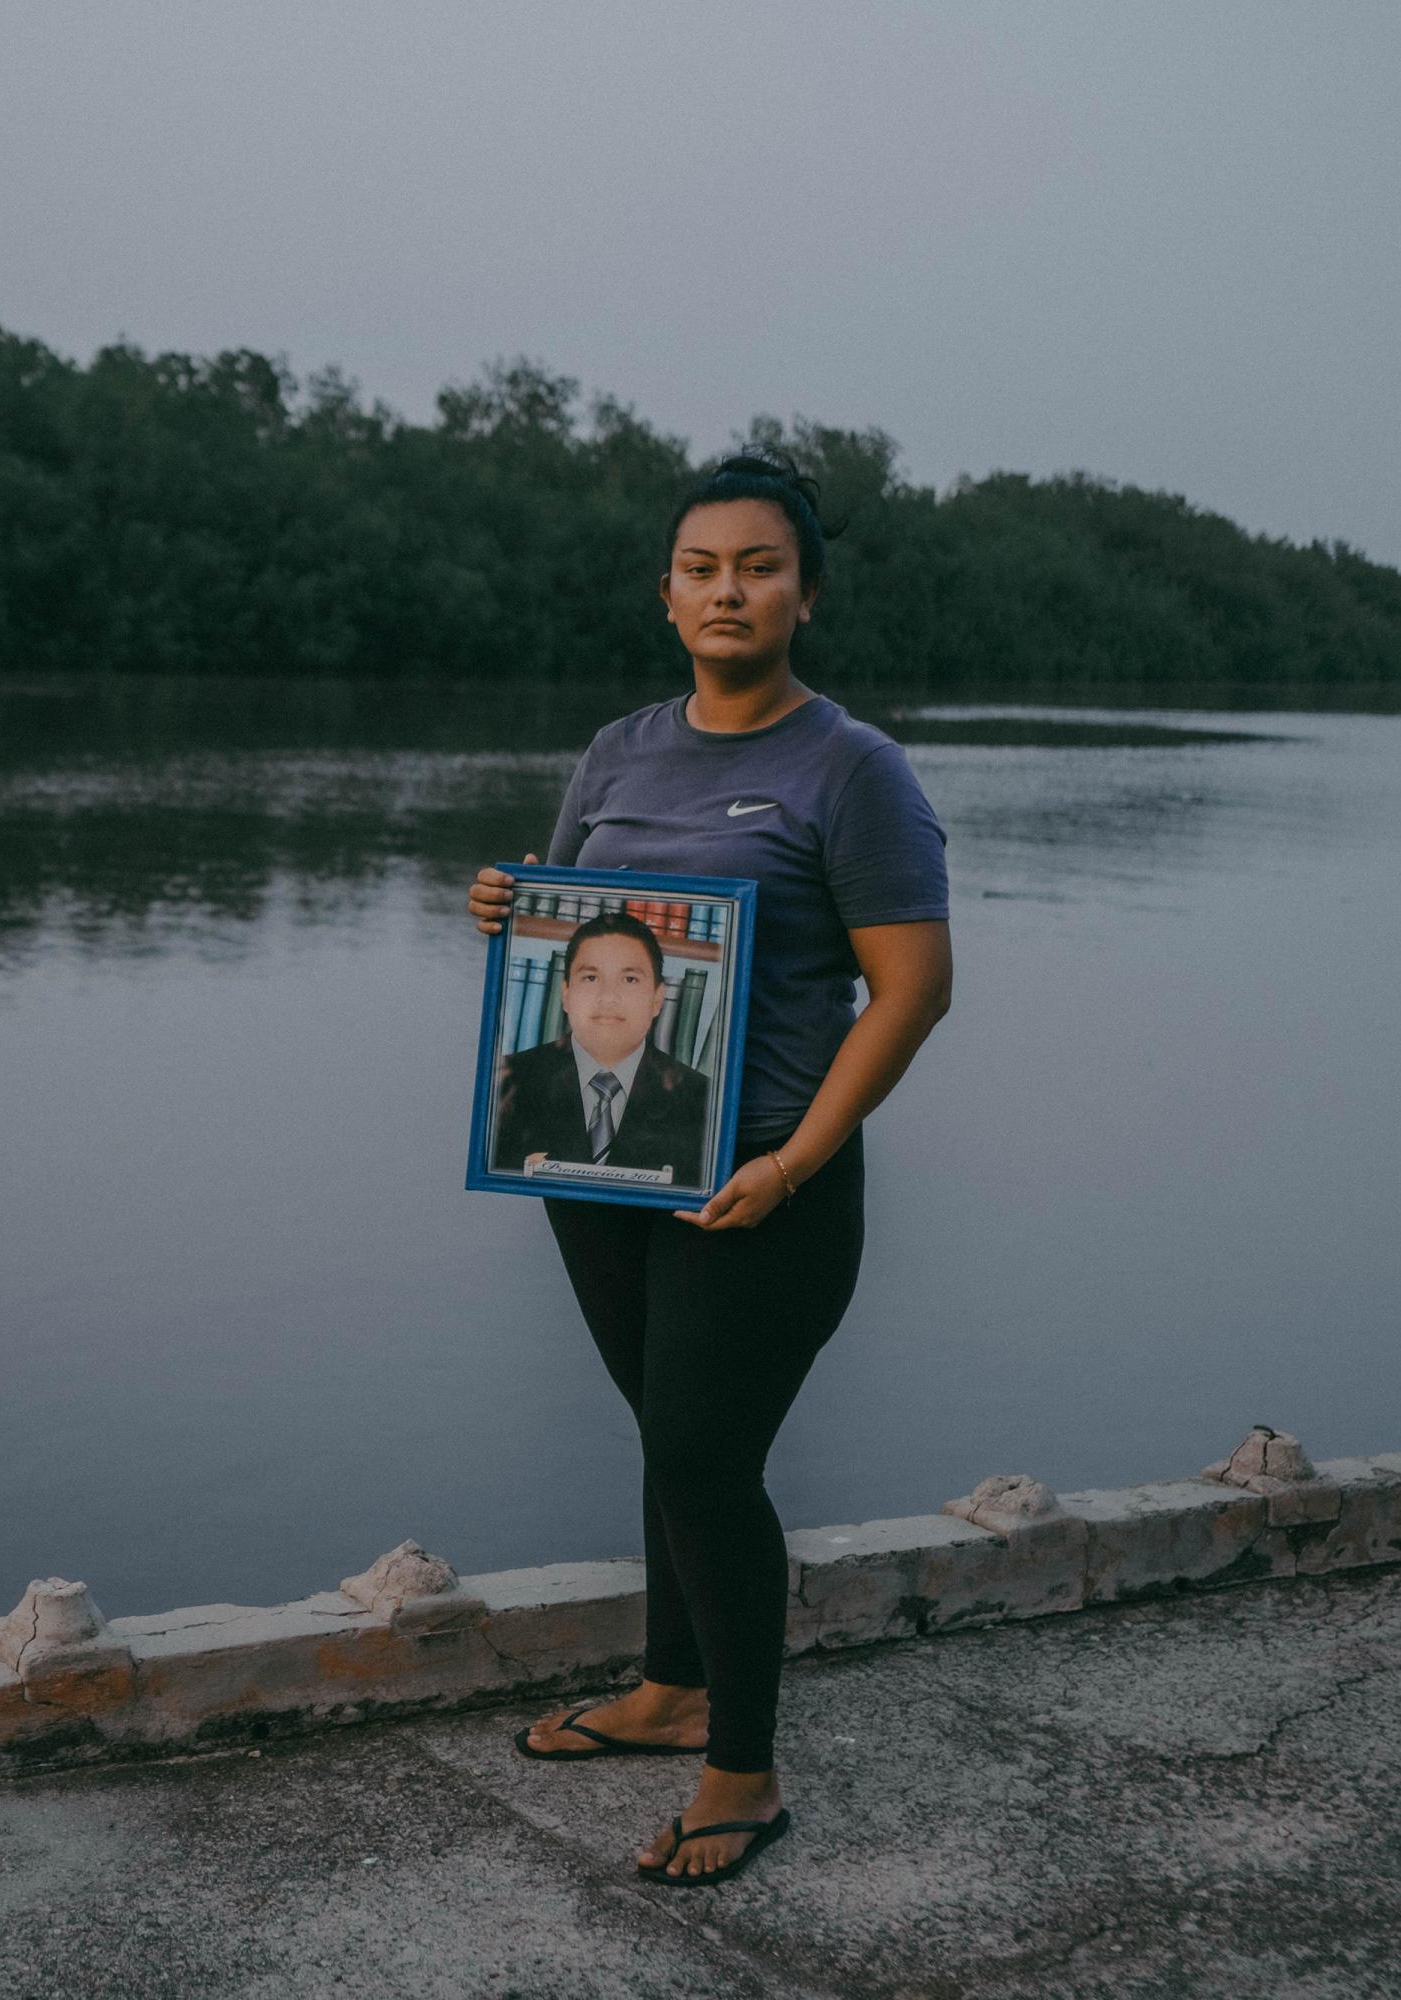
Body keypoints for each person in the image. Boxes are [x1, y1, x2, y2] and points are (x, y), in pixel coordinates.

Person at [467, 452, 952, 1887]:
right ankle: (670, 1689)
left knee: (700, 1449)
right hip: (600, 1162)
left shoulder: (852, 770)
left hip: (766, 1180)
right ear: (667, 593)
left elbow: (913, 993)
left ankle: (743, 1770)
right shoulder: (619, 749)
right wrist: (505, 906)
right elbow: (572, 941)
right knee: (668, 1432)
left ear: (805, 594)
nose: (728, 589)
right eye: (702, 567)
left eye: (759, 565)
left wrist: (799, 1160)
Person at [489, 909, 714, 1185]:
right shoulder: (509, 1081)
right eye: (591, 978)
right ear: (566, 994)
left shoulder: (702, 1098)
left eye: (629, 979)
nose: (608, 998)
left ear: (657, 999)